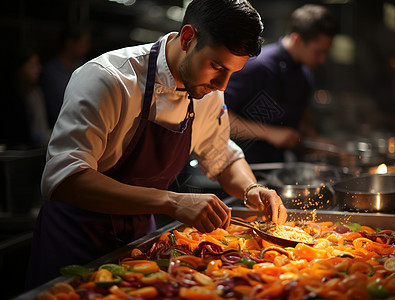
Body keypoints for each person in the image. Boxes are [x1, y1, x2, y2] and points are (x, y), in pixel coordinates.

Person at [26, 0, 286, 289]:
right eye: (216, 67)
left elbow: (221, 155)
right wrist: (173, 202)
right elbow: (64, 179)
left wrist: (252, 189)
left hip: (140, 247)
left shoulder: (207, 91)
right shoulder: (109, 79)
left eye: (232, 74)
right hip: (74, 242)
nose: (222, 85)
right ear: (188, 38)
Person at [225, 4, 338, 163]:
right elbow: (220, 118)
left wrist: (314, 140)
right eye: (318, 52)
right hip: (240, 165)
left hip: (277, 166)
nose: (323, 60)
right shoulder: (257, 66)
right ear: (296, 39)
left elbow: (298, 120)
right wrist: (269, 133)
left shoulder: (304, 74)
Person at [40, 25, 91, 127]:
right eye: (84, 43)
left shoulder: (86, 67)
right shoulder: (50, 72)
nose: (87, 48)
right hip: (57, 126)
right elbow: (53, 107)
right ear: (70, 43)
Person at [0, 47, 51, 149]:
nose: (38, 69)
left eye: (38, 64)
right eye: (32, 66)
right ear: (19, 68)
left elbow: (41, 129)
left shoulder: (36, 93)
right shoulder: (7, 99)